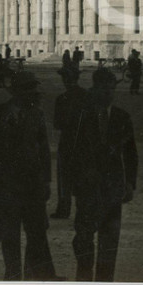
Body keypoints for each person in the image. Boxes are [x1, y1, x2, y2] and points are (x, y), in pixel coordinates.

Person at [0, 71, 58, 280]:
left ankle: (37, 276)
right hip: (6, 183)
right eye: (28, 91)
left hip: (33, 184)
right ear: (16, 92)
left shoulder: (36, 114)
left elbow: (44, 150)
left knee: (37, 231)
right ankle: (10, 276)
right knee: (8, 233)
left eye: (34, 91)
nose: (33, 95)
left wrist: (46, 181)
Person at [66, 65, 138, 281]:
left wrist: (130, 183)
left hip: (113, 188)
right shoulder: (81, 116)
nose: (108, 94)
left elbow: (131, 154)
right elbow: (70, 152)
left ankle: (105, 284)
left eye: (112, 89)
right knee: (84, 238)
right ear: (95, 89)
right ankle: (84, 279)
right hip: (87, 187)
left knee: (109, 241)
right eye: (104, 89)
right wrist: (73, 182)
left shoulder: (122, 117)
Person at [51, 65, 88, 219]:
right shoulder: (86, 96)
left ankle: (64, 209)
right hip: (84, 141)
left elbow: (57, 124)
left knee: (65, 176)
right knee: (82, 175)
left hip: (67, 140)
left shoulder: (62, 99)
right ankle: (83, 209)